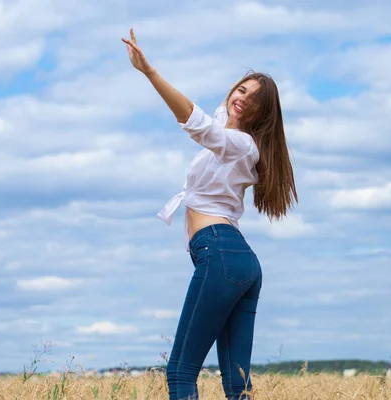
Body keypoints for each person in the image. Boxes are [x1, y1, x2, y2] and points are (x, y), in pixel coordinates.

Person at [122, 28, 298, 400]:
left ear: (263, 114)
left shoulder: (243, 145)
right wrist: (228, 107)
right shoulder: (232, 132)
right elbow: (216, 119)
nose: (243, 99)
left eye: (254, 100)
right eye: (242, 90)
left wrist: (149, 73)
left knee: (181, 373)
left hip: (218, 253)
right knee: (237, 383)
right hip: (239, 261)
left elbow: (198, 125)